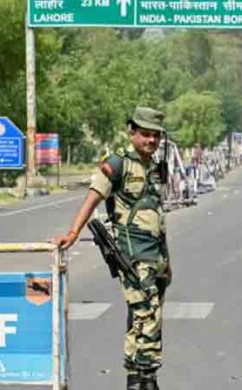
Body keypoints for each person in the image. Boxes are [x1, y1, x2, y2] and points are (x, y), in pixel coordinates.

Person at [53, 107, 172, 390]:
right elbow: (92, 200)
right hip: (131, 254)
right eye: (145, 134)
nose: (151, 141)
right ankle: (146, 377)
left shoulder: (156, 167)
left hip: (155, 255)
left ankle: (136, 378)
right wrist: (72, 233)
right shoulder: (117, 164)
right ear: (132, 133)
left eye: (156, 136)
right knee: (148, 315)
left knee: (142, 318)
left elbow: (159, 216)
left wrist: (167, 260)